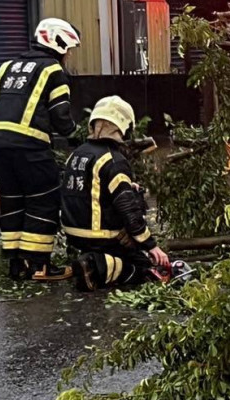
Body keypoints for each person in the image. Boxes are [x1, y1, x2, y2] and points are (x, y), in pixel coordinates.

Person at [0, 18, 81, 282]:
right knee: (44, 199)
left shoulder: (6, 67)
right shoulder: (53, 71)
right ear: (58, 42)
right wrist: (77, 134)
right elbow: (61, 117)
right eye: (68, 49)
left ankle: (17, 266)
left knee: (13, 200)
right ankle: (40, 266)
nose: (68, 54)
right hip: (29, 147)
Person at [60, 96, 171, 292]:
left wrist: (128, 186)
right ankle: (95, 266)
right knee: (142, 267)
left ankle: (97, 259)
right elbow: (127, 209)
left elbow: (90, 190)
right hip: (100, 235)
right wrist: (151, 246)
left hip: (73, 233)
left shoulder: (77, 154)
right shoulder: (114, 160)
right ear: (122, 127)